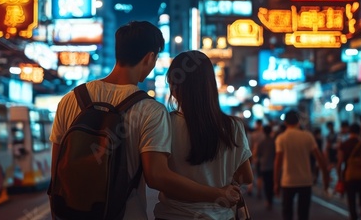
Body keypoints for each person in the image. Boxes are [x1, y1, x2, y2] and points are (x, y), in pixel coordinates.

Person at [49, 22, 240, 220]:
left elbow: (56, 171)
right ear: (150, 57)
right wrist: (217, 193)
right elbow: (157, 176)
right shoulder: (151, 110)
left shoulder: (71, 99)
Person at [153, 50, 253, 219]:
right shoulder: (233, 126)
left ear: (174, 86)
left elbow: (158, 177)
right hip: (220, 215)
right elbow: (246, 176)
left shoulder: (165, 124)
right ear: (210, 84)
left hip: (173, 215)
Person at [274, 109, 329, 220]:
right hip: (305, 181)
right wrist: (326, 178)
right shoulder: (307, 136)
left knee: (287, 213)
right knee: (303, 214)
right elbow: (320, 159)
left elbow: (278, 163)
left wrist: (275, 182)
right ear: (298, 121)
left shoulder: (281, 138)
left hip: (288, 181)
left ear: (285, 123)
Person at [337, 123, 361, 220]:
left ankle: (354, 217)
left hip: (349, 176)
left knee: (351, 200)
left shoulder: (344, 145)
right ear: (359, 132)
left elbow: (340, 162)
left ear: (349, 132)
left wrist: (340, 177)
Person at [256, 125, 276, 210]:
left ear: (263, 131)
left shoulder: (261, 142)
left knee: (266, 184)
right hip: (273, 165)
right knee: (271, 183)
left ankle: (268, 200)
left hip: (264, 166)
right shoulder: (274, 141)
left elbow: (258, 154)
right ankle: (271, 199)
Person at [249, 119, 265, 198]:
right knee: (259, 175)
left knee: (251, 173)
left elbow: (250, 146)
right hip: (262, 157)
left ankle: (250, 189)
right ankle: (259, 191)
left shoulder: (253, 135)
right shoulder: (264, 135)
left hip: (253, 155)